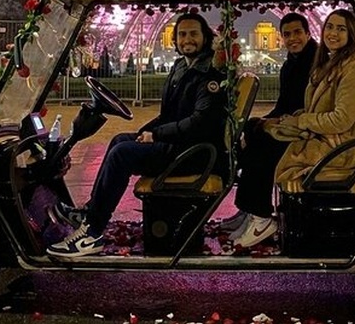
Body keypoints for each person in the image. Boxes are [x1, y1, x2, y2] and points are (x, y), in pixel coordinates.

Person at [47, 13, 226, 259]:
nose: (187, 39)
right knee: (120, 140)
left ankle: (93, 232)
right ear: (175, 39)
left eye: (194, 33)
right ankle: (91, 212)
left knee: (122, 154)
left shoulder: (209, 75)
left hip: (191, 152)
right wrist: (146, 132)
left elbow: (200, 123)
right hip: (181, 144)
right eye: (182, 34)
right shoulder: (182, 67)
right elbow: (169, 114)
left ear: (205, 37)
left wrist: (156, 134)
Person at [221, 13, 318, 248]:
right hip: (291, 124)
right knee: (251, 131)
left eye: (297, 32)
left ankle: (260, 215)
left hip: (306, 129)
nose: (293, 38)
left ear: (308, 33)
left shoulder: (316, 63)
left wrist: (276, 122)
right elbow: (284, 104)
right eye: (287, 34)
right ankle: (249, 208)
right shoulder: (291, 64)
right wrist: (263, 121)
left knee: (262, 148)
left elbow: (307, 106)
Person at [274, 9, 355, 190]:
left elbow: (342, 119)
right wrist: (296, 118)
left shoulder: (353, 69)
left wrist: (301, 121)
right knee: (265, 141)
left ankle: (259, 207)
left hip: (337, 147)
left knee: (267, 149)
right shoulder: (330, 65)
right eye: (330, 27)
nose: (333, 33)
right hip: (325, 138)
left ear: (351, 34)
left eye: (341, 29)